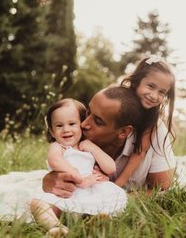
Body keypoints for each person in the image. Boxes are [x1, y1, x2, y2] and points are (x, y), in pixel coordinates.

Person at [42, 85, 176, 198]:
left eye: (98, 121)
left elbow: (163, 189)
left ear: (123, 132)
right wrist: (49, 179)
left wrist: (113, 197)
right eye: (88, 113)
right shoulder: (76, 133)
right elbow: (57, 162)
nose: (83, 124)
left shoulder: (153, 134)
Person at [30, 98, 128, 236]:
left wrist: (93, 148)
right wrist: (79, 178)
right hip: (64, 195)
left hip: (90, 192)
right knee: (37, 203)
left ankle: (94, 221)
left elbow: (111, 168)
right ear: (52, 132)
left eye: (72, 124)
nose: (66, 129)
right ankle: (56, 227)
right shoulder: (58, 147)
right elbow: (55, 161)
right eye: (59, 126)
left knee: (100, 204)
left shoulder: (87, 146)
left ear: (81, 125)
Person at [114, 55, 176, 189]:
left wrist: (118, 185)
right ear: (136, 82)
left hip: (144, 153)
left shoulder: (152, 119)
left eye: (161, 92)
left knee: (163, 186)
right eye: (151, 86)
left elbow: (139, 152)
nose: (154, 96)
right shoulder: (117, 101)